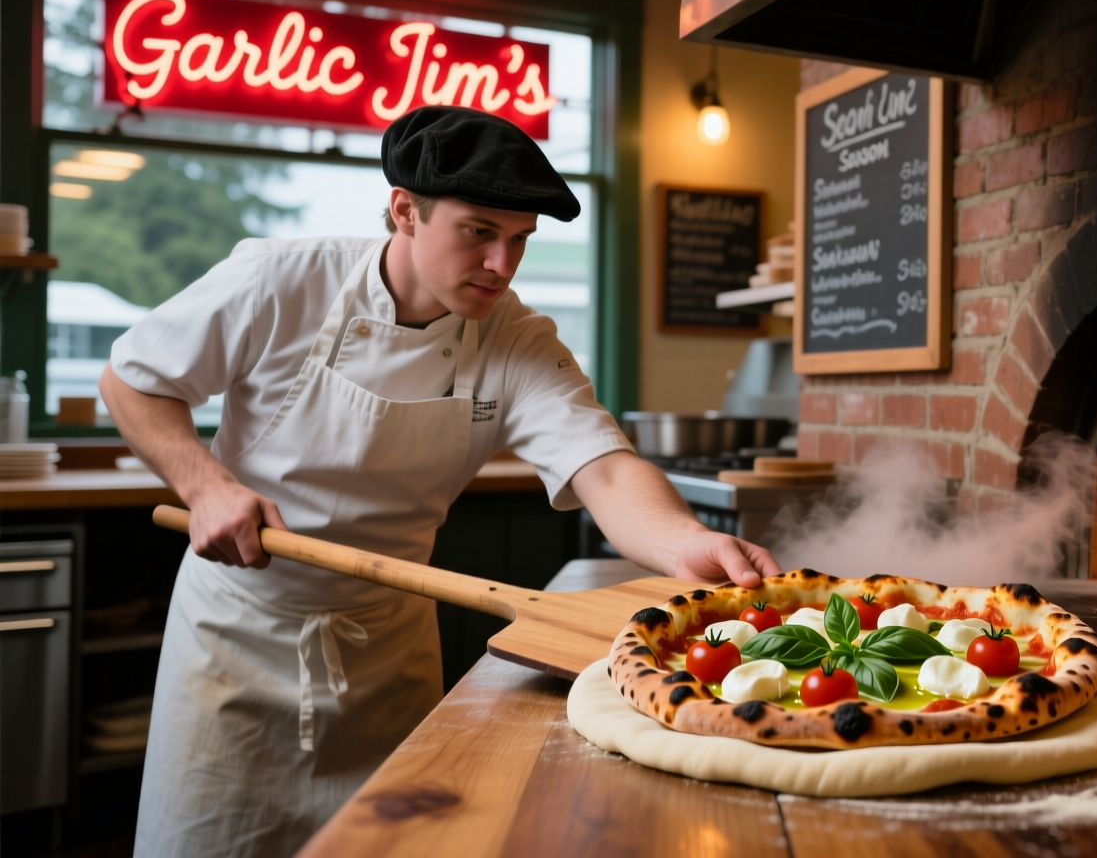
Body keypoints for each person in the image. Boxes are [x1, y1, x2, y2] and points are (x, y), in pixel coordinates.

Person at [101, 106, 782, 858]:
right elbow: (133, 380)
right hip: (236, 639)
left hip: (389, 646)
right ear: (405, 211)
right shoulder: (280, 279)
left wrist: (685, 541)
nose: (503, 264)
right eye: (479, 233)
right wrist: (205, 484)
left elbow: (606, 467)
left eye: (519, 240)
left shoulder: (515, 338)